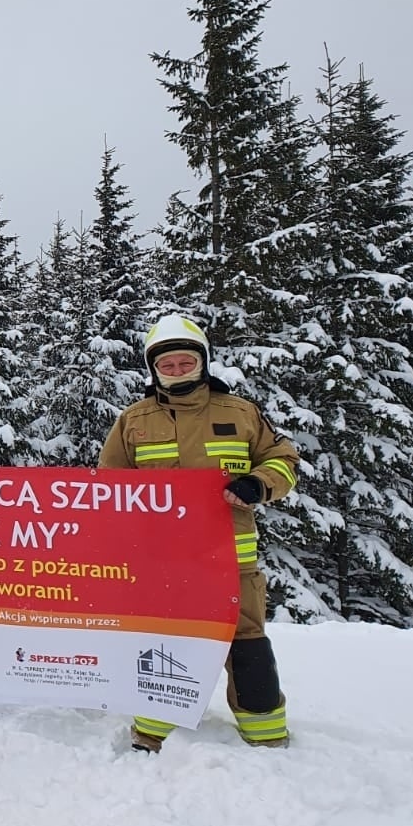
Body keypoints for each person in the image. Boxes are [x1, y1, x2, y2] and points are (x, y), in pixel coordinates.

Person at [99, 314, 298, 753]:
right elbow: (110, 489)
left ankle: (267, 738)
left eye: (185, 362)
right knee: (165, 645)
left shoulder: (240, 413)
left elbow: (283, 459)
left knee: (247, 649)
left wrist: (258, 484)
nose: (176, 371)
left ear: (203, 362)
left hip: (233, 564)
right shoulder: (134, 420)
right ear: (153, 369)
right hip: (164, 565)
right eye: (166, 365)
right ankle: (152, 734)